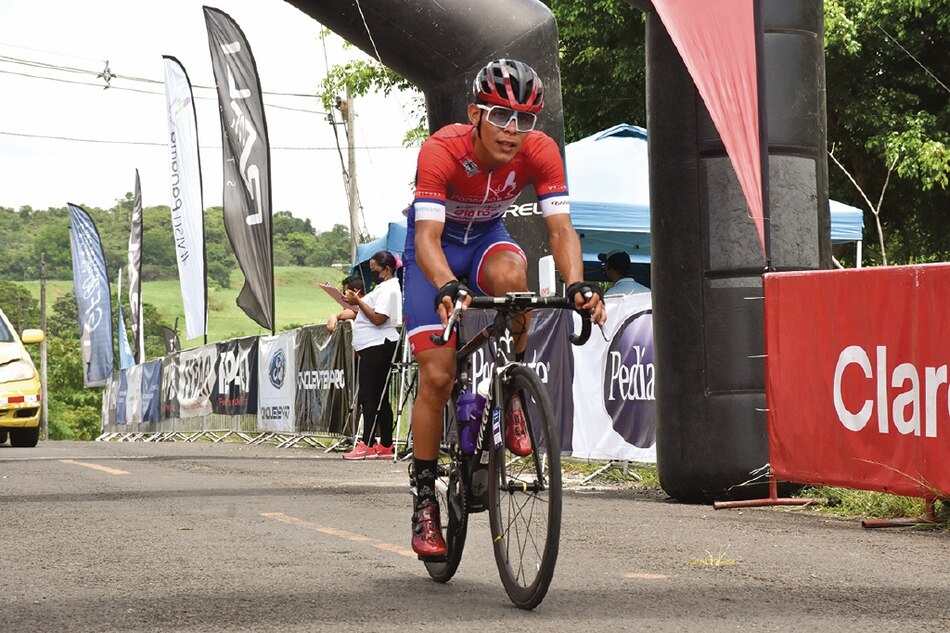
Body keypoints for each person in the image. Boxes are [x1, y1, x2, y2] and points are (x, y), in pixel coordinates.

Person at [402, 58, 607, 558]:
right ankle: (425, 498)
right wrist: (447, 284)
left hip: (488, 239)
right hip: (436, 250)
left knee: (514, 281)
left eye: (525, 119)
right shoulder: (441, 151)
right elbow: (427, 236)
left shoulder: (540, 151)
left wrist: (576, 285)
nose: (513, 131)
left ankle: (511, 389)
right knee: (437, 376)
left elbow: (560, 230)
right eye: (499, 116)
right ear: (474, 113)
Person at [327, 251, 403, 461]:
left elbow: (379, 318)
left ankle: (367, 443)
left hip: (378, 345)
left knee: (369, 396)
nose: (372, 275)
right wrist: (348, 304)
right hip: (374, 344)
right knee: (379, 397)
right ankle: (386, 444)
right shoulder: (383, 288)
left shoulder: (390, 289)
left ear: (386, 269)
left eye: (374, 270)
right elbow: (362, 311)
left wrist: (358, 302)